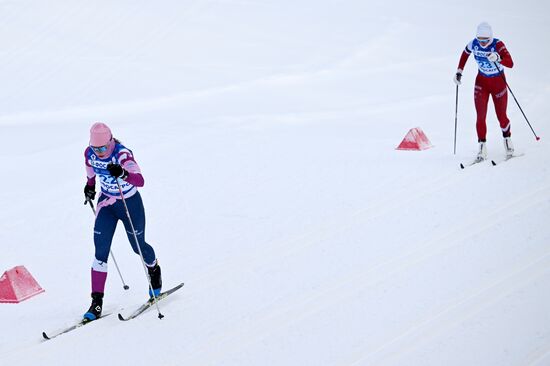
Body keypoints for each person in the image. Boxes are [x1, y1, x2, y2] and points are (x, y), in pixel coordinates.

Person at [82, 122, 162, 322]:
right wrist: (89, 186)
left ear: (110, 142)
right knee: (100, 251)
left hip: (130, 204)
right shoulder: (90, 153)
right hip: (107, 204)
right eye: (95, 148)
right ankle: (96, 302)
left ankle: (154, 270)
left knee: (138, 246)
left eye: (103, 148)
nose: (99, 152)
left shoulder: (122, 154)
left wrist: (124, 173)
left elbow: (140, 180)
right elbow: (90, 169)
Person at [454, 22, 515, 162]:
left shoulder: (498, 45)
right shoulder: (474, 43)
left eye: (486, 41)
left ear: (491, 38)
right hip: (481, 82)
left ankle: (508, 142)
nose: (482, 44)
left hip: (498, 83)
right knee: (480, 116)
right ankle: (482, 147)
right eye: (480, 40)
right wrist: (459, 71)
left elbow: (511, 63)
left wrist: (499, 58)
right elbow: (465, 53)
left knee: (501, 116)